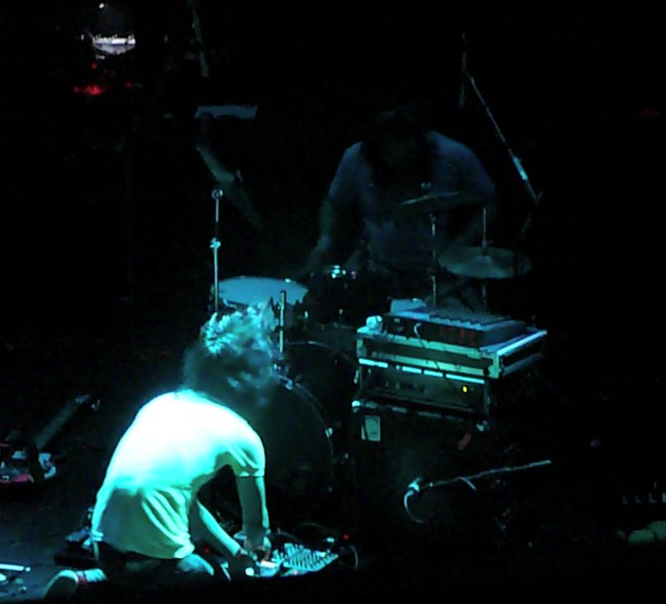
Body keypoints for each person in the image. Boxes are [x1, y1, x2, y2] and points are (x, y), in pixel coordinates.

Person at [44, 305, 276, 599]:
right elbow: (256, 528)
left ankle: (86, 582)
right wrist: (252, 553)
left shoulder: (162, 403)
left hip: (102, 547)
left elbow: (188, 505)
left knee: (141, 566)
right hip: (153, 562)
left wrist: (232, 551)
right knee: (212, 577)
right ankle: (106, 585)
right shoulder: (243, 436)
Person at [302, 102, 498, 315]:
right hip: (377, 271)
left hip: (437, 276)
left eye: (407, 155)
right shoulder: (357, 156)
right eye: (391, 155)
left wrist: (458, 246)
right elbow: (334, 202)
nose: (398, 163)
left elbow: (489, 200)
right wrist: (325, 242)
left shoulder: (454, 155)